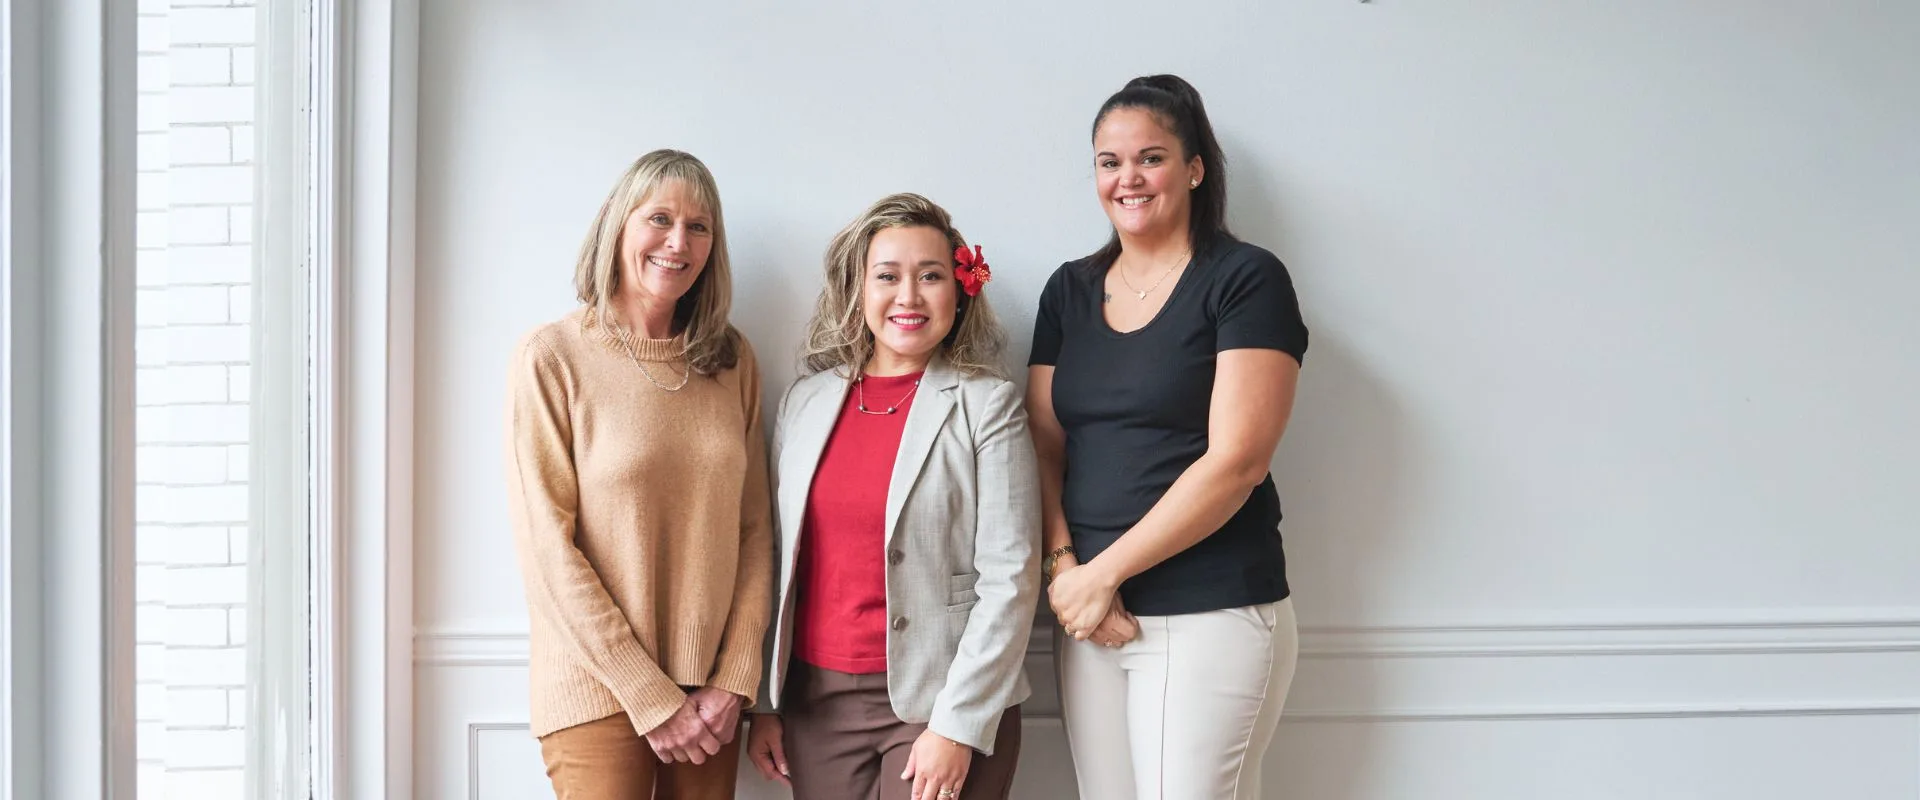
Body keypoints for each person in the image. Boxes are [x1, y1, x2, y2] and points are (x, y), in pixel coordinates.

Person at [1027, 75, 1311, 800]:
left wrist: (1101, 575)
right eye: (1109, 162)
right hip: (1090, 617)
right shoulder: (1067, 290)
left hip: (1208, 610)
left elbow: (1238, 462)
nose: (1127, 178)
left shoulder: (1246, 280)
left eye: (1150, 158)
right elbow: (1044, 447)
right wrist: (1066, 570)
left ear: (1194, 169)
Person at [745, 193, 1041, 800]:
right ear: (858, 289)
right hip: (815, 706)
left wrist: (957, 725)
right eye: (887, 276)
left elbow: (1010, 577)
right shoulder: (804, 402)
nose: (909, 296)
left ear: (959, 290)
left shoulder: (988, 405)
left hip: (941, 701)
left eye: (930, 276)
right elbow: (778, 560)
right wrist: (766, 705)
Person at [504, 149, 774, 799]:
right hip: (595, 686)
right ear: (616, 222)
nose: (678, 242)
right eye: (659, 219)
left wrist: (734, 679)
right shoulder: (553, 356)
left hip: (708, 696)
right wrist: (649, 695)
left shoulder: (732, 360)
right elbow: (547, 549)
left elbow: (755, 531)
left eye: (699, 227)